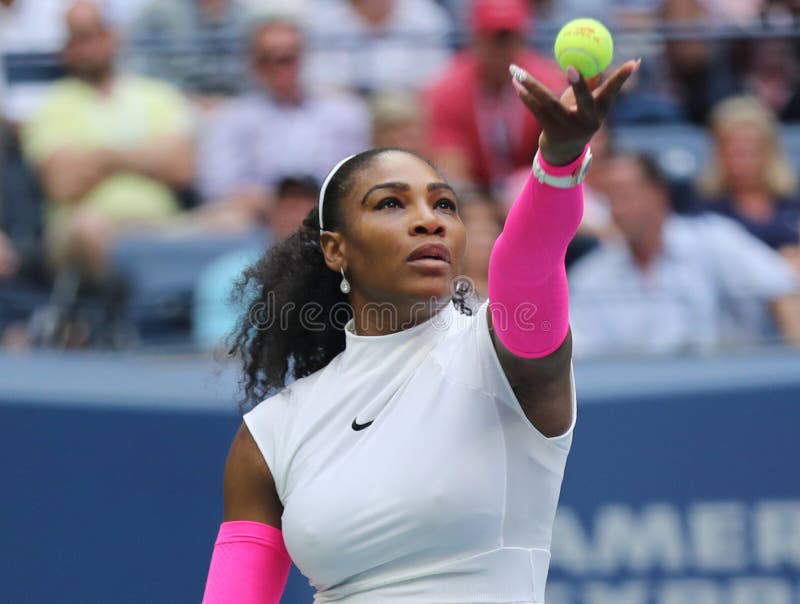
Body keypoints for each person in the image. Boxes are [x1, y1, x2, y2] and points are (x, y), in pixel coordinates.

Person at [201, 48, 639, 601]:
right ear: (336, 249)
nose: (428, 220)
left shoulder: (501, 354)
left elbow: (526, 263)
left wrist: (558, 161)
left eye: (445, 205)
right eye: (390, 204)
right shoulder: (269, 434)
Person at [21, 0, 195, 277]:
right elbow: (62, 183)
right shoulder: (51, 105)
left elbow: (182, 167)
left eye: (98, 32)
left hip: (161, 224)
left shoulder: (158, 95)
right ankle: (109, 314)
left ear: (114, 36)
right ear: (67, 49)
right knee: (88, 227)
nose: (92, 46)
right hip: (83, 231)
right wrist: (140, 156)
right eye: (81, 37)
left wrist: (100, 158)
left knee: (236, 218)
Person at [568, 152, 800, 358]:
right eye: (611, 199)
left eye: (626, 196)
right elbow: (581, 356)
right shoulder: (590, 277)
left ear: (659, 194)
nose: (618, 209)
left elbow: (783, 288)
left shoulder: (714, 240)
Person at [198, 15, 369, 227]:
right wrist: (276, 204)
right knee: (222, 219)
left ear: (304, 56)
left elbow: (360, 176)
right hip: (257, 218)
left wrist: (308, 203)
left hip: (330, 212)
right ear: (254, 64)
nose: (282, 68)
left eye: (289, 57)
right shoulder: (231, 117)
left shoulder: (345, 111)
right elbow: (217, 186)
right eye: (270, 58)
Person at [423, 0, 565, 194]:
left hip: (537, 189)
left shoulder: (548, 83)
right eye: (495, 40)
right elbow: (452, 169)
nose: (503, 49)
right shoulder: (448, 89)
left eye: (510, 39)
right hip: (476, 201)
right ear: (477, 39)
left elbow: (566, 156)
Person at [696, 96, 800, 255]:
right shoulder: (705, 210)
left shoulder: (792, 201)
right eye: (734, 152)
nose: (742, 163)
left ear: (770, 152)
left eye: (750, 151)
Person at [304, 0, 452, 94]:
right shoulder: (321, 19)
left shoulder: (426, 15)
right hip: (342, 120)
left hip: (410, 115)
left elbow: (439, 79)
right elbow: (317, 82)